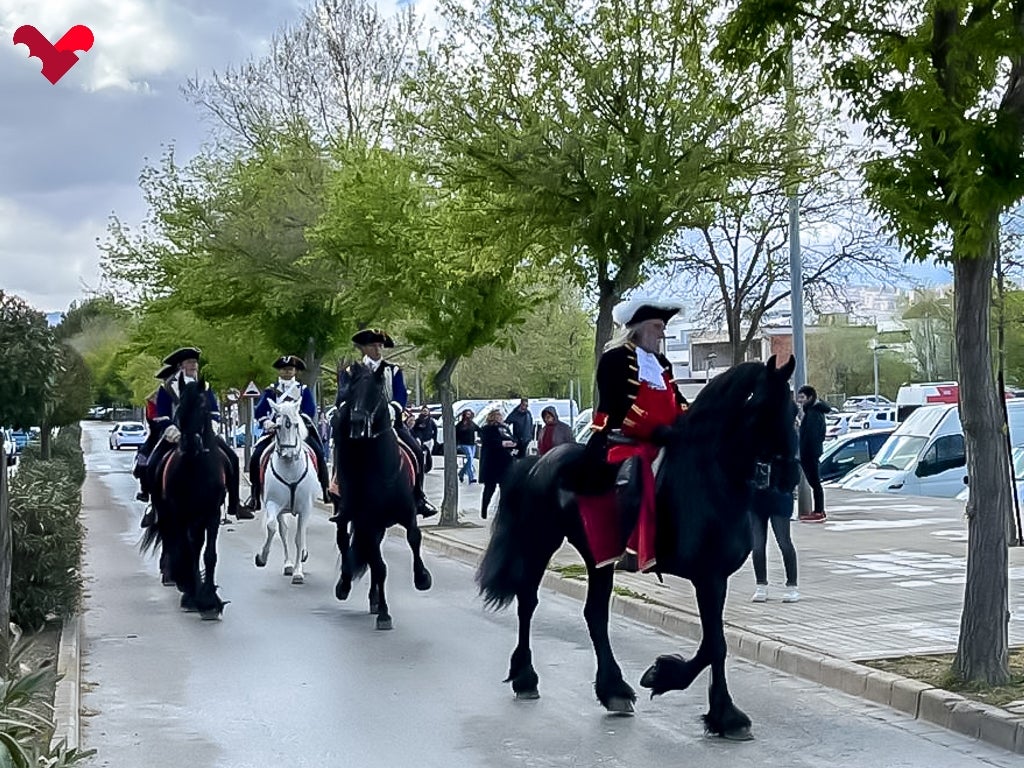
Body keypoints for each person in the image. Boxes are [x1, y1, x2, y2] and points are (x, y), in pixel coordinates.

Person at [578, 298, 689, 572]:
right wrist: (653, 428)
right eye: (657, 326)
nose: (662, 334)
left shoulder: (662, 363)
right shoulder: (615, 358)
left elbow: (678, 400)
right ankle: (629, 547)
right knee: (637, 475)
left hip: (665, 439)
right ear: (638, 328)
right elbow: (616, 404)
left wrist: (692, 421)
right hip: (626, 439)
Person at [335, 329, 437, 517]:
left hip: (387, 423)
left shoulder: (393, 370)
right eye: (373, 345)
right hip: (359, 423)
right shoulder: (351, 372)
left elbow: (400, 395)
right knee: (342, 450)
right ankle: (339, 494)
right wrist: (349, 412)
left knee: (416, 449)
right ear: (363, 348)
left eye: (380, 346)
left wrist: (393, 409)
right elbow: (342, 397)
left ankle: (418, 496)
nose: (378, 349)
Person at [142, 347, 241, 519]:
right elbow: (163, 413)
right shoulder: (167, 388)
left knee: (232, 457)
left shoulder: (205, 386)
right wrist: (172, 430)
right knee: (152, 461)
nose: (193, 366)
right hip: (176, 434)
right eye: (189, 362)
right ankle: (154, 505)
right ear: (181, 365)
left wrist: (213, 426)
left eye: (195, 362)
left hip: (204, 433)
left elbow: (214, 411)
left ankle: (234, 503)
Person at [244, 355, 330, 513]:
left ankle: (325, 490)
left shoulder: (302, 390)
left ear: (295, 371)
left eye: (290, 369)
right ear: (279, 371)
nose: (287, 372)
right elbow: (260, 411)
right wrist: (266, 422)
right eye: (284, 369)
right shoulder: (271, 390)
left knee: (318, 452)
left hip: (298, 430)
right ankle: (255, 495)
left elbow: (309, 410)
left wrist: (297, 420)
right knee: (256, 456)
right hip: (275, 430)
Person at [750, 453, 801, 603]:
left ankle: (791, 586)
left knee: (783, 541)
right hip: (757, 498)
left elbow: (794, 469)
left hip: (778, 497)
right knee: (757, 545)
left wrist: (785, 487)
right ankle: (761, 585)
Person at [797, 384, 830, 522]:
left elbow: (813, 435)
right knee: (814, 482)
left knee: (815, 482)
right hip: (810, 452)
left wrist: (805, 451)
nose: (800, 400)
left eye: (802, 397)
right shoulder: (812, 411)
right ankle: (818, 510)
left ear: (810, 397)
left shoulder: (814, 413)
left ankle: (819, 511)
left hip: (810, 453)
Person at [478, 409, 516, 518]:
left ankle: (504, 510)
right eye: (498, 416)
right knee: (490, 487)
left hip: (505, 461)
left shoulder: (505, 428)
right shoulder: (487, 429)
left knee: (505, 487)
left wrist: (513, 443)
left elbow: (513, 439)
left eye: (500, 416)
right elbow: (489, 441)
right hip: (492, 462)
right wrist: (502, 443)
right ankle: (484, 509)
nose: (500, 418)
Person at [455, 409, 480, 483]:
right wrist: (457, 444)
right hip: (464, 444)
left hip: (472, 444)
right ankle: (471, 477)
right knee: (470, 458)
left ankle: (461, 473)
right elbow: (456, 435)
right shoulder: (460, 425)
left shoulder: (472, 424)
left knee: (470, 460)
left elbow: (479, 430)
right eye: (467, 414)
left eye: (469, 414)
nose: (468, 416)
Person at [411, 405, 438, 472]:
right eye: (423, 411)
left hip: (429, 440)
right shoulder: (418, 421)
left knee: (428, 454)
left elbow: (435, 429)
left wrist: (434, 438)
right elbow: (413, 429)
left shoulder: (431, 421)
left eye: (426, 411)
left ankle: (427, 466)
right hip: (420, 440)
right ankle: (421, 466)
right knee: (421, 454)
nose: (425, 412)